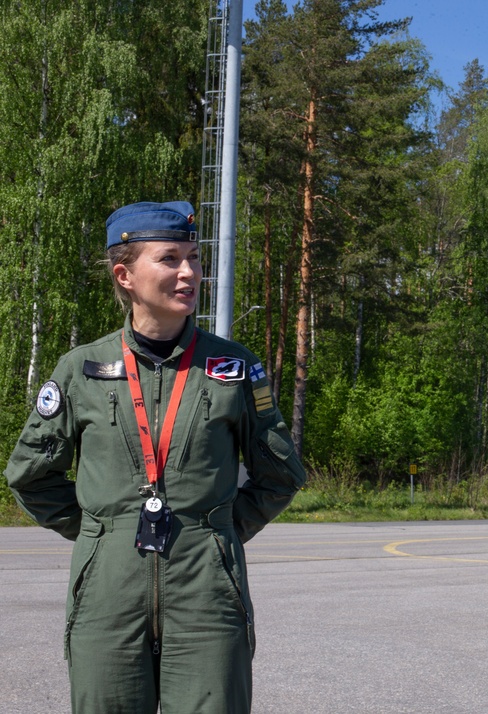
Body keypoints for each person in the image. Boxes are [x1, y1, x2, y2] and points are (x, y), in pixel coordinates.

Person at [4, 201, 307, 713]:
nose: (189, 271)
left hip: (208, 593)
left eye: (194, 257)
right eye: (170, 259)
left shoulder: (233, 367)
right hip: (107, 594)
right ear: (125, 274)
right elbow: (30, 474)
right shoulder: (81, 370)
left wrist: (218, 532)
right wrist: (102, 533)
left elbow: (282, 473)